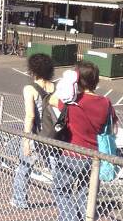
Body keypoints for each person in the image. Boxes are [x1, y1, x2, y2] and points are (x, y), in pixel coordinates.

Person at [50, 62, 118, 221]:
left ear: (77, 80)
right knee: (85, 195)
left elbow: (53, 99)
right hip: (94, 156)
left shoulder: (73, 101)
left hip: (72, 154)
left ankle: (69, 218)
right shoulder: (105, 102)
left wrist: (67, 82)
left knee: (61, 189)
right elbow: (113, 125)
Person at [11, 53, 55, 209]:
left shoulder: (29, 89)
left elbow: (30, 115)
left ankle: (19, 200)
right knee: (57, 173)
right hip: (53, 137)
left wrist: (26, 140)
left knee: (24, 168)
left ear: (32, 70)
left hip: (36, 135)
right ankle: (64, 202)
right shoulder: (55, 87)